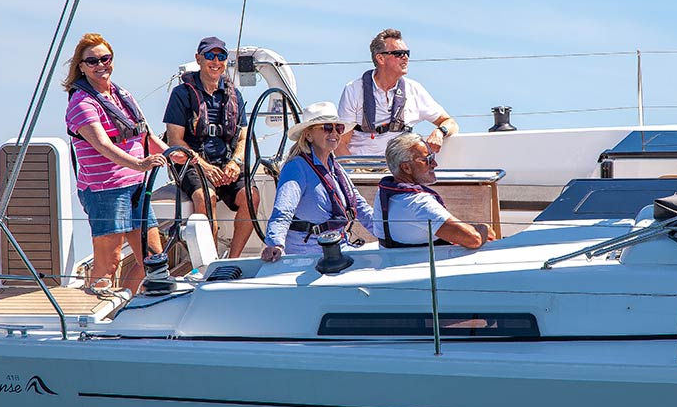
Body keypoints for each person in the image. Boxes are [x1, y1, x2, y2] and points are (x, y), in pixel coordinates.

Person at [64, 33, 191, 293]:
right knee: (109, 264)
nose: (101, 65)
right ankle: (101, 315)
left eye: (105, 58)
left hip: (135, 188)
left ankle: (126, 305)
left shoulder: (122, 95)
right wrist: (141, 164)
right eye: (92, 61)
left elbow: (146, 134)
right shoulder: (81, 103)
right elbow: (103, 145)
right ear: (81, 67)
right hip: (105, 191)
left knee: (154, 258)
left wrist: (172, 155)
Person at [164, 36, 258, 259]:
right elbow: (175, 140)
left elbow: (244, 136)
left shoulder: (234, 94)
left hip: (226, 163)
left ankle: (233, 260)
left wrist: (235, 162)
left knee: (251, 197)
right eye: (210, 55)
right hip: (193, 163)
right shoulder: (182, 94)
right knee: (205, 198)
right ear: (199, 59)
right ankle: (212, 263)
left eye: (221, 56)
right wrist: (204, 166)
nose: (216, 61)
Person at [261, 102, 374, 262]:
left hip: (340, 248)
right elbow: (283, 210)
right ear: (308, 135)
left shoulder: (337, 168)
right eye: (327, 127)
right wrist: (275, 244)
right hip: (308, 256)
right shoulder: (296, 167)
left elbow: (362, 209)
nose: (334, 133)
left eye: (338, 128)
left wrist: (390, 234)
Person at [337, 28, 460, 156]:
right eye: (399, 53)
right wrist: (353, 171)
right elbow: (341, 143)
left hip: (399, 170)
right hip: (361, 168)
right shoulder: (354, 90)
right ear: (380, 58)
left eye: (407, 53)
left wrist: (440, 131)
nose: (405, 58)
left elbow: (451, 123)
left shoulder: (414, 89)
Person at [373, 133, 494, 249]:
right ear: (406, 167)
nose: (434, 164)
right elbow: (473, 240)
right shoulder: (418, 203)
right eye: (427, 159)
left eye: (433, 157)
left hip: (397, 262)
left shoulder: (385, 192)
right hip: (426, 267)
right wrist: (484, 228)